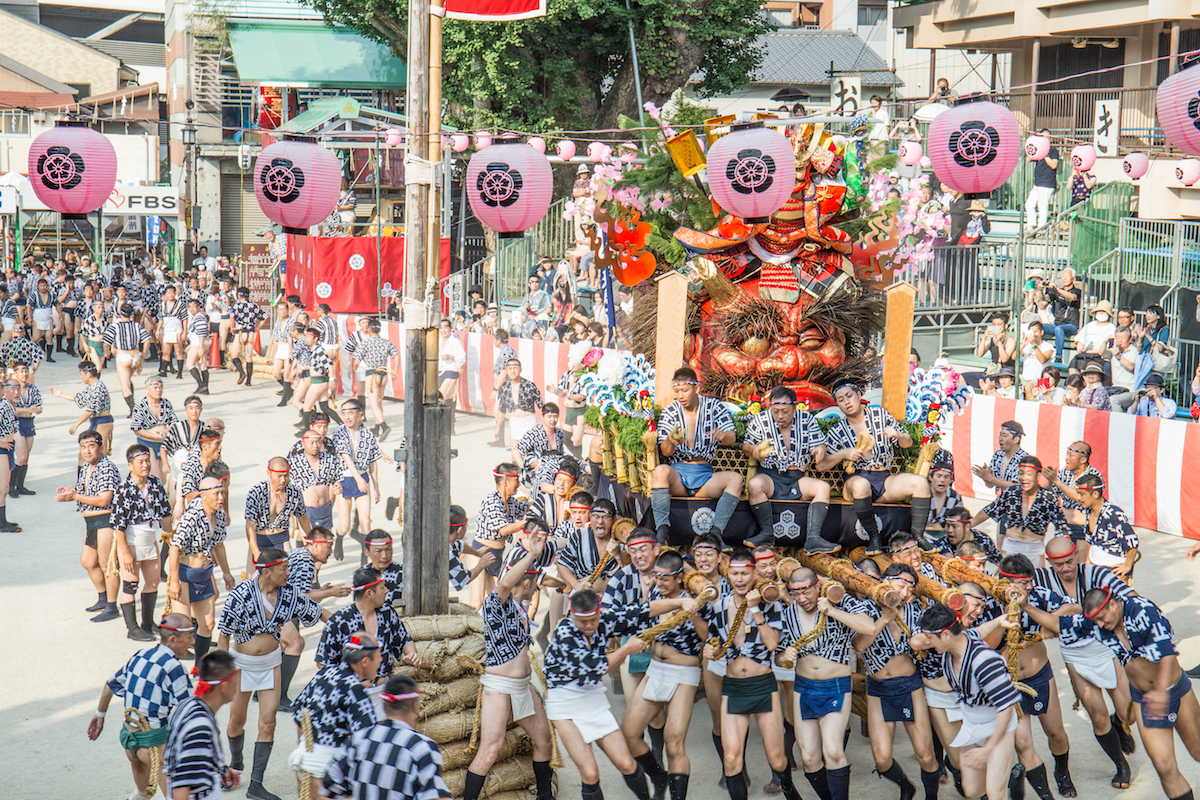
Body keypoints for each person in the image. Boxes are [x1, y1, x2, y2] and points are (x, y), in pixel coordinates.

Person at [1033, 589, 1200, 800]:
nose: (1100, 625)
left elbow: (1166, 653)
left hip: (1174, 691)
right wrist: (1026, 606)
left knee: (1198, 751)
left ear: (1113, 604)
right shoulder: (1097, 622)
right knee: (1164, 766)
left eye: (1101, 618)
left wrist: (1160, 692)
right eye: (1096, 621)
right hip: (1145, 699)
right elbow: (1059, 624)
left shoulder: (1142, 610)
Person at [219, 547, 330, 800]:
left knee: (268, 722)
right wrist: (223, 673)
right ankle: (237, 763)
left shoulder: (289, 594)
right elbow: (223, 633)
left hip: (271, 662)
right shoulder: (241, 595)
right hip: (241, 664)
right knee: (237, 722)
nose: (288, 573)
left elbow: (319, 612)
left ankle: (255, 785)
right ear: (266, 572)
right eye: (284, 569)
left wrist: (346, 630)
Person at [1034, 536, 1137, 788]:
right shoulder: (1041, 579)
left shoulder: (1095, 573)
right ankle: (1121, 765)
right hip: (1075, 653)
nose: (1066, 568)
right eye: (1058, 565)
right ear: (1049, 563)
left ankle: (1119, 724)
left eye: (1069, 562)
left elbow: (1129, 595)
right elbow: (1013, 586)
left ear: (1077, 555)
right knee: (1097, 716)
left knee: (1129, 714)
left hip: (1103, 645)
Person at [465, 532, 557, 800]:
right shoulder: (496, 602)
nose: (536, 588)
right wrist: (532, 554)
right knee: (490, 750)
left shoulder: (520, 606)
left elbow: (539, 578)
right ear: (526, 582)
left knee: (544, 741)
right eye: (535, 584)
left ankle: (544, 796)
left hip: (522, 686)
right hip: (498, 686)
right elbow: (506, 582)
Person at [701, 550, 796, 800]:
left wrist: (755, 611)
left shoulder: (771, 603)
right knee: (731, 760)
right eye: (735, 573)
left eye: (745, 573)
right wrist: (710, 649)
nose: (740, 579)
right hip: (733, 687)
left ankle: (791, 793)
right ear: (727, 574)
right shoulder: (720, 605)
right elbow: (713, 640)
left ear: (755, 574)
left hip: (763, 685)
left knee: (776, 759)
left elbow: (773, 643)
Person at [775, 566, 875, 800]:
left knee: (833, 751)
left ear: (816, 586)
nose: (801, 598)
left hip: (835, 685)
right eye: (795, 592)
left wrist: (832, 611)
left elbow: (869, 628)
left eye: (805, 591)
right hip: (804, 687)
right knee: (809, 758)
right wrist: (784, 656)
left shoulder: (839, 600)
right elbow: (778, 656)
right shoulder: (788, 613)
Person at [545, 589, 655, 800]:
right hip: (564, 702)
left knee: (627, 763)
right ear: (571, 613)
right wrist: (626, 649)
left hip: (592, 696)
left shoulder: (602, 620)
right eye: (582, 621)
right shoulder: (564, 632)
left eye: (593, 620)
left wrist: (681, 602)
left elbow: (643, 611)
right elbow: (596, 668)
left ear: (599, 612)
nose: (589, 625)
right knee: (590, 772)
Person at [851, 562, 941, 800]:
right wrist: (884, 617)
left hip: (909, 685)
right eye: (901, 585)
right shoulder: (866, 608)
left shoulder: (917, 611)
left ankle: (931, 796)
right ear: (885, 582)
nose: (904, 593)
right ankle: (906, 786)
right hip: (878, 688)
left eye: (910, 589)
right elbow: (859, 645)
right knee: (882, 759)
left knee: (926, 755)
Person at [914, 603, 1018, 800]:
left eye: (930, 638)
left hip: (998, 725)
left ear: (945, 635)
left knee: (996, 795)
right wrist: (998, 622)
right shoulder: (958, 643)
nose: (927, 642)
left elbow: (1006, 708)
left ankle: (1004, 780)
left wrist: (989, 747)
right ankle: (1010, 781)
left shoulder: (985, 661)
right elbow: (978, 631)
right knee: (972, 790)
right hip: (972, 723)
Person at [89, 612, 195, 800]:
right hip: (153, 744)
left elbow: (110, 685)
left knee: (142, 794)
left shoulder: (141, 654)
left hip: (128, 738)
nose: (193, 642)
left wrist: (100, 715)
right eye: (189, 637)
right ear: (172, 639)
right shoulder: (174, 668)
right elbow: (189, 712)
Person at [819, 382, 932, 555]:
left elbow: (907, 442)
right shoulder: (837, 430)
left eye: (849, 396)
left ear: (858, 395)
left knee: (920, 483)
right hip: (856, 480)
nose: (847, 402)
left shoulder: (880, 415)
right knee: (861, 485)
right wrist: (843, 454)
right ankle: (874, 536)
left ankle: (918, 536)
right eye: (841, 400)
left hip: (885, 478)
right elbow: (822, 465)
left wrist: (899, 435)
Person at [323, 673, 454, 800]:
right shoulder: (421, 747)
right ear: (416, 707)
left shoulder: (357, 739)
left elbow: (329, 786)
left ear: (383, 707)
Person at [651, 368, 743, 545]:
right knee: (661, 470)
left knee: (735, 479)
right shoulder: (670, 411)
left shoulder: (714, 406)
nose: (680, 396)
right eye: (676, 391)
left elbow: (731, 437)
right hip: (679, 476)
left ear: (696, 389)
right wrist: (671, 439)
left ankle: (716, 534)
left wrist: (723, 435)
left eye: (684, 390)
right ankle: (662, 531)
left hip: (705, 477)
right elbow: (665, 451)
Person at [742, 384, 837, 552]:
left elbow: (819, 443)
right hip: (771, 476)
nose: (779, 416)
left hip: (797, 478)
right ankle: (766, 533)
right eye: (775, 411)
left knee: (823, 488)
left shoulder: (806, 419)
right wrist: (754, 450)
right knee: (755, 484)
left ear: (794, 408)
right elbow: (746, 446)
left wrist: (820, 449)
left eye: (785, 411)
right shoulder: (761, 420)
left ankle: (813, 539)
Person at [289, 631, 380, 796]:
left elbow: (299, 715)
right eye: (379, 656)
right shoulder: (355, 689)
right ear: (365, 661)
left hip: (304, 766)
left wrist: (308, 753)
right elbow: (366, 745)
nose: (381, 661)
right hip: (329, 778)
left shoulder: (325, 673)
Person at [168, 476, 236, 660]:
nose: (221, 497)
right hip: (185, 575)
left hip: (204, 573)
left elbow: (219, 544)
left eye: (222, 493)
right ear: (204, 495)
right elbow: (174, 547)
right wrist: (174, 581)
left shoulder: (219, 514)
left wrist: (226, 572)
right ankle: (170, 666)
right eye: (216, 494)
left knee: (208, 624)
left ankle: (200, 665)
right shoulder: (192, 515)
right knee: (182, 627)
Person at [112, 443, 174, 641]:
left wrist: (172, 535)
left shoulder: (155, 484)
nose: (146, 465)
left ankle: (147, 623)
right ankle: (132, 627)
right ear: (131, 464)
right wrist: (126, 553)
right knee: (131, 584)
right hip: (130, 539)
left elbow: (165, 513)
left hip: (150, 536)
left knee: (154, 580)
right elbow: (118, 527)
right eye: (141, 462)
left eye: (147, 461)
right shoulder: (123, 490)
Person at [57, 429, 121, 616]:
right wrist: (69, 493)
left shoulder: (107, 467)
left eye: (91, 446)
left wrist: (75, 496)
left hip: (106, 519)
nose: (87, 451)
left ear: (101, 447)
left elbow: (103, 500)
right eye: (83, 447)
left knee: (107, 564)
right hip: (91, 520)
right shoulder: (86, 466)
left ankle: (111, 606)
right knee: (88, 561)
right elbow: (83, 492)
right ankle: (103, 597)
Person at [163, 650, 242, 799]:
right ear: (224, 686)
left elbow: (188, 758)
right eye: (236, 683)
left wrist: (220, 769)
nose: (238, 687)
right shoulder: (200, 727)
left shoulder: (187, 705)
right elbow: (180, 789)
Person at [971, 456, 1067, 565]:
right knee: (1007, 580)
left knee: (1035, 581)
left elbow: (1061, 525)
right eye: (1021, 473)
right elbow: (990, 510)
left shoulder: (1048, 498)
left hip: (1034, 549)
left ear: (1038, 475)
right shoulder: (1011, 492)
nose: (1023, 478)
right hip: (1011, 546)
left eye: (1028, 474)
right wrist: (969, 525)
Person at [332, 398, 383, 561]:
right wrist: (358, 479)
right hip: (344, 478)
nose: (347, 417)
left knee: (365, 521)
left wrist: (376, 486)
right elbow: (345, 456)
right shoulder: (339, 432)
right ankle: (339, 539)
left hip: (362, 476)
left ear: (359, 414)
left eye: (350, 413)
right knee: (345, 525)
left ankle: (364, 557)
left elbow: (373, 461)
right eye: (344, 413)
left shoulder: (368, 435)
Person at [243, 456, 311, 574]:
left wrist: (310, 539)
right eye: (279, 476)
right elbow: (250, 524)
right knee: (253, 583)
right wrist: (256, 552)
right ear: (269, 473)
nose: (283, 480)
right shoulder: (257, 492)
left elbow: (302, 516)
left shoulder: (294, 492)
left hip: (282, 539)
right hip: (259, 539)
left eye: (286, 475)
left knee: (288, 578)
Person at [50, 361, 115, 453]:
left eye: (81, 374)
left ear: (88, 374)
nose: (81, 377)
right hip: (96, 421)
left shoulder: (98, 388)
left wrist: (76, 424)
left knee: (99, 454)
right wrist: (61, 395)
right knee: (83, 454)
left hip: (102, 422)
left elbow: (90, 411)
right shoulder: (91, 387)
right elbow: (79, 397)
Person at [105, 302, 151, 417]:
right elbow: (147, 340)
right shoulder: (137, 325)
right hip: (135, 355)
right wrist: (143, 353)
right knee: (128, 380)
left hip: (123, 356)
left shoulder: (115, 326)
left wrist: (108, 353)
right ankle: (133, 408)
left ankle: (134, 410)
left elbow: (106, 342)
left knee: (125, 385)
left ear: (120, 313)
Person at [497, 357, 544, 465]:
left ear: (520, 369)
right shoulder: (504, 387)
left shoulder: (529, 385)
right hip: (514, 422)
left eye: (515, 368)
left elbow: (541, 405)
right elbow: (501, 409)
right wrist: (498, 427)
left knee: (530, 452)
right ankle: (517, 478)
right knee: (515, 454)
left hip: (529, 421)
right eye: (510, 368)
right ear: (506, 371)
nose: (513, 371)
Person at [130, 376, 176, 481]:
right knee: (154, 476)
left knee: (163, 479)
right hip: (148, 443)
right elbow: (137, 429)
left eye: (160, 387)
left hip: (163, 444)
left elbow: (174, 423)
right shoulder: (140, 406)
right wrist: (154, 436)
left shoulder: (166, 403)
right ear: (147, 389)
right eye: (155, 387)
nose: (158, 390)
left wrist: (166, 431)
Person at [10, 361, 40, 498]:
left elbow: (39, 407)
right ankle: (11, 485)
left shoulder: (32, 389)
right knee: (21, 456)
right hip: (16, 424)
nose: (24, 373)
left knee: (25, 458)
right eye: (21, 371)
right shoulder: (11, 388)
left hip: (29, 422)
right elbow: (9, 409)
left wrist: (29, 410)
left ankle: (20, 485)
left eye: (26, 370)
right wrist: (28, 409)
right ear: (15, 373)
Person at [1025, 129, 1060, 232]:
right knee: (1029, 204)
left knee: (1042, 205)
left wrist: (1045, 155)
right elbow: (1028, 159)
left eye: (1046, 137)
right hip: (1038, 183)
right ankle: (1031, 225)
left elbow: (1054, 165)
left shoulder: (1053, 151)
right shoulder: (1039, 150)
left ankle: (1041, 228)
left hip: (1047, 183)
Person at [230, 287, 266, 386]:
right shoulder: (254, 305)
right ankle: (249, 381)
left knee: (234, 355)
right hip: (251, 332)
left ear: (238, 295)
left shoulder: (237, 305)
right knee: (249, 356)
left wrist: (232, 328)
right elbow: (264, 317)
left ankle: (242, 372)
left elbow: (232, 318)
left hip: (241, 331)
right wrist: (258, 326)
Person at [1072, 300, 1116, 372]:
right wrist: (1080, 350)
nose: (1101, 313)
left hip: (1099, 357)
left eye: (1104, 311)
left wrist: (1089, 352)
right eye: (1099, 311)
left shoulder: (1111, 328)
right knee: (1073, 366)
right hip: (1084, 354)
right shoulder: (1089, 325)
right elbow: (1080, 340)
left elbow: (1106, 349)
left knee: (1088, 368)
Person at [438, 317, 466, 424]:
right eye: (441, 328)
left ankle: (441, 422)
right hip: (440, 370)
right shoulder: (439, 341)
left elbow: (462, 358)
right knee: (448, 398)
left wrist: (451, 357)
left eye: (445, 327)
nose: (443, 330)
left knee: (440, 396)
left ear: (450, 329)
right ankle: (450, 423)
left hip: (451, 371)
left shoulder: (455, 342)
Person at [1020, 321, 1055, 398]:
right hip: (1024, 378)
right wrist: (1023, 344)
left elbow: (1043, 360)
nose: (1033, 334)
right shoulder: (1027, 346)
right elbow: (1014, 357)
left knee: (1028, 386)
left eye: (1035, 331)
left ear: (1041, 332)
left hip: (1038, 379)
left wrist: (1034, 345)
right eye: (1031, 331)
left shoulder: (1048, 346)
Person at [1108, 325, 1139, 411]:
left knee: (1113, 401)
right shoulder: (1114, 350)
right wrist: (1105, 341)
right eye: (1117, 337)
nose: (1119, 340)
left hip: (1130, 391)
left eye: (1123, 337)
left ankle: (1121, 424)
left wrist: (1118, 356)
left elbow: (1131, 367)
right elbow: (1102, 353)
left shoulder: (1135, 351)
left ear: (1129, 339)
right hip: (1115, 388)